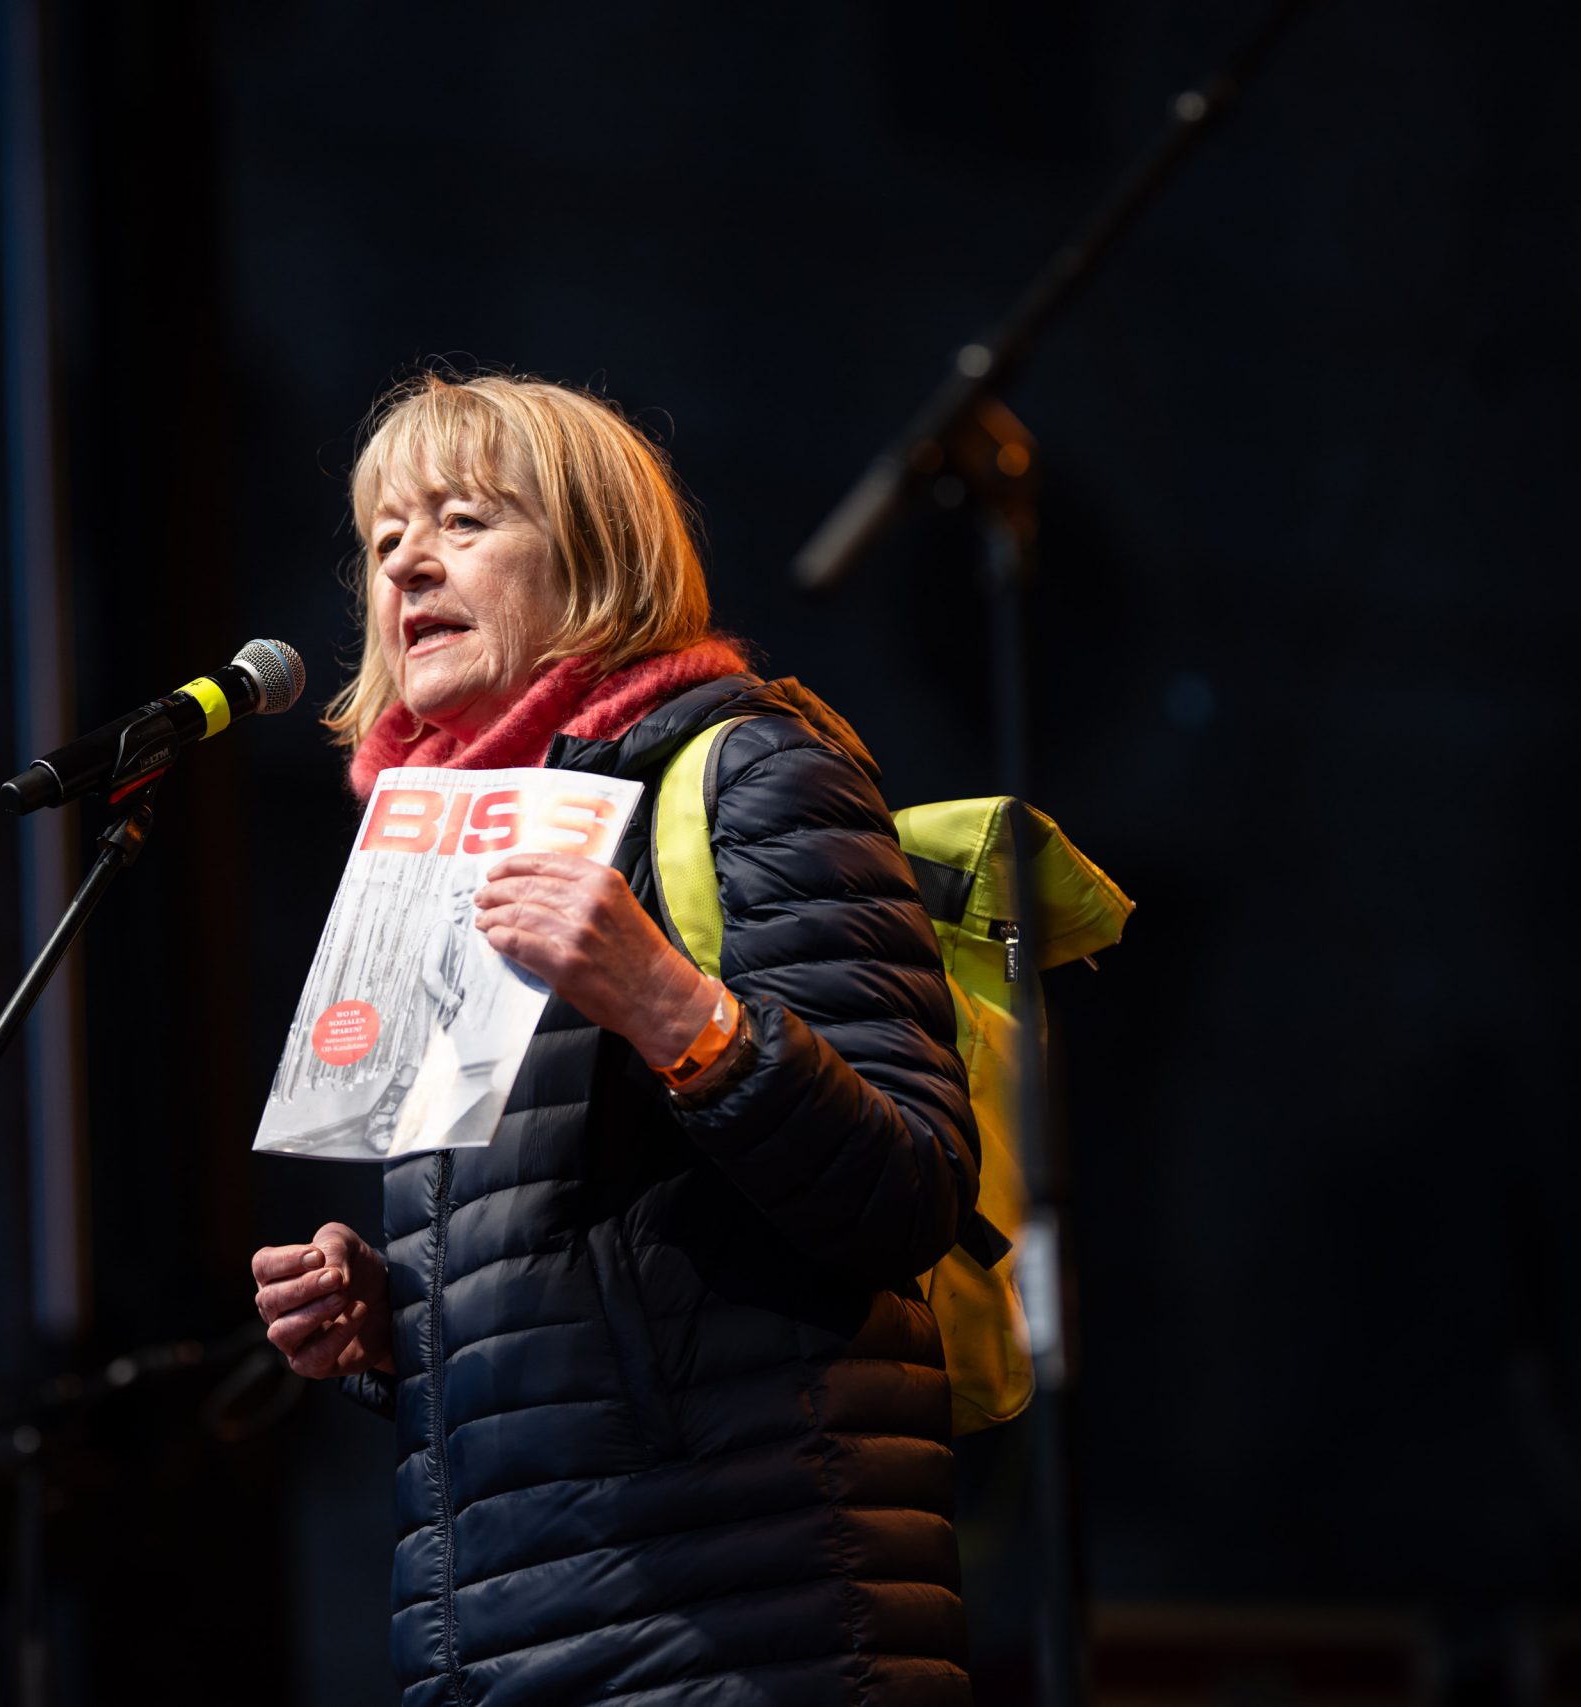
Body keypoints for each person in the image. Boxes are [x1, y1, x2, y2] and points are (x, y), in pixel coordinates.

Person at [249, 372, 983, 1707]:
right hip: (500, 1643)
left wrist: (670, 1008)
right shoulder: (429, 865)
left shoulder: (751, 772)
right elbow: (583, 1281)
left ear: (590, 553)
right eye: (382, 540)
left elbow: (907, 1194)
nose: (409, 559)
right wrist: (388, 1325)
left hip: (748, 1633)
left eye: (463, 520)